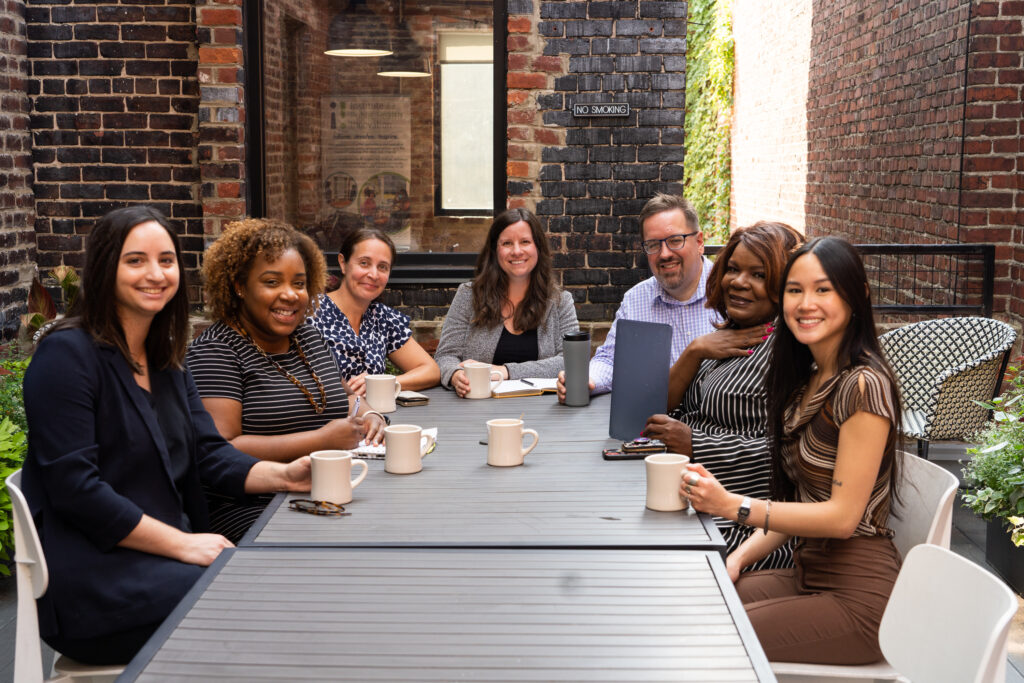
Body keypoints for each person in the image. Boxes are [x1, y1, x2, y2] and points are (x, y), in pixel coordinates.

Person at [20, 206, 312, 665]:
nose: (155, 274)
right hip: (96, 583)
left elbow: (208, 452)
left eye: (167, 260)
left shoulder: (164, 357)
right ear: (104, 267)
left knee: (288, 584)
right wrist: (187, 544)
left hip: (167, 560)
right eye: (136, 260)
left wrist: (284, 476)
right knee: (262, 597)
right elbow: (76, 490)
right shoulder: (65, 356)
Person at [680, 236, 903, 665]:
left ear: (857, 295)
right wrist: (738, 556)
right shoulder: (809, 379)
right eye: (795, 290)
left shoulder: (863, 385)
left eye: (823, 290)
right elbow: (802, 502)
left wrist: (732, 506)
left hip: (858, 599)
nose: (806, 303)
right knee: (694, 601)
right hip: (807, 572)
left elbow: (840, 518)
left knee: (706, 637)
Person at [186, 218, 386, 540]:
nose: (290, 295)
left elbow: (341, 397)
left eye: (299, 283)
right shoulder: (216, 351)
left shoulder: (307, 336)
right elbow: (223, 449)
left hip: (325, 490)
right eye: (272, 282)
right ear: (239, 286)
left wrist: (370, 414)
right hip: (253, 508)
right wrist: (321, 440)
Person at [642, 222, 803, 569]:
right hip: (693, 499)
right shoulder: (729, 336)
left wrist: (695, 443)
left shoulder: (790, 352)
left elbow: (793, 456)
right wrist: (696, 350)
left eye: (759, 274)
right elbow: (667, 409)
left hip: (748, 529)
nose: (739, 282)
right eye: (732, 268)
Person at [557, 193, 718, 401]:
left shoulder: (731, 293)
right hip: (654, 422)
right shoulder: (636, 300)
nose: (665, 253)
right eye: (653, 245)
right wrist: (586, 380)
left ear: (699, 242)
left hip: (719, 423)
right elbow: (609, 360)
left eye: (675, 241)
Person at [435, 207, 579, 397]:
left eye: (525, 242)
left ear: (538, 247)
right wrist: (455, 375)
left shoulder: (560, 302)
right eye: (507, 243)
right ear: (495, 250)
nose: (517, 251)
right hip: (478, 406)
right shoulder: (469, 296)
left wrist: (503, 371)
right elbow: (445, 356)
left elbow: (572, 361)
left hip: (546, 411)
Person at [309, 227, 439, 395]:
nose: (373, 274)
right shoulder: (310, 312)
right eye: (364, 263)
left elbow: (431, 371)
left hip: (374, 417)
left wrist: (382, 383)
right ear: (343, 263)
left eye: (383, 267)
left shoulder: (382, 318)